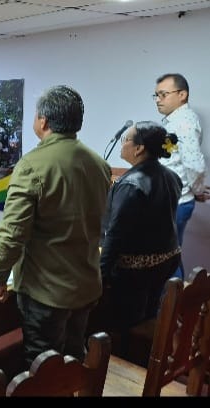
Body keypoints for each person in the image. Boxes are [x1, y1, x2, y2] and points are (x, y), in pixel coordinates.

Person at [0, 85, 111, 368]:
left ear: (43, 121)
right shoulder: (98, 164)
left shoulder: (33, 165)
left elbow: (13, 232)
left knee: (43, 366)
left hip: (47, 290)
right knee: (74, 355)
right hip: (86, 283)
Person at [97, 121, 182, 357]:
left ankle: (123, 361)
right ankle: (143, 352)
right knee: (147, 312)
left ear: (139, 149)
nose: (121, 144)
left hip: (136, 269)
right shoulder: (172, 176)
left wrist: (100, 275)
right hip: (167, 260)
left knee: (122, 321)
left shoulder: (130, 184)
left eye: (125, 140)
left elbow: (115, 235)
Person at [154, 73, 206, 281]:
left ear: (182, 95)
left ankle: (174, 301)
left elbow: (194, 164)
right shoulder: (176, 120)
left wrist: (197, 191)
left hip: (176, 201)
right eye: (156, 95)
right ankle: (175, 299)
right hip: (172, 199)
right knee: (169, 256)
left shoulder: (184, 121)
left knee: (167, 259)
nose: (158, 100)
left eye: (163, 94)